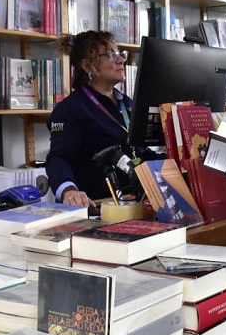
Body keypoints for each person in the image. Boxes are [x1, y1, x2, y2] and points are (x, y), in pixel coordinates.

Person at [46, 31, 160, 206]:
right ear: (88, 66)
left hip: (133, 203)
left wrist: (181, 163)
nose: (120, 60)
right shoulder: (70, 109)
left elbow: (140, 152)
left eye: (119, 53)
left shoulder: (127, 104)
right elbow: (59, 158)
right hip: (95, 206)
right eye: (109, 54)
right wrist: (69, 191)